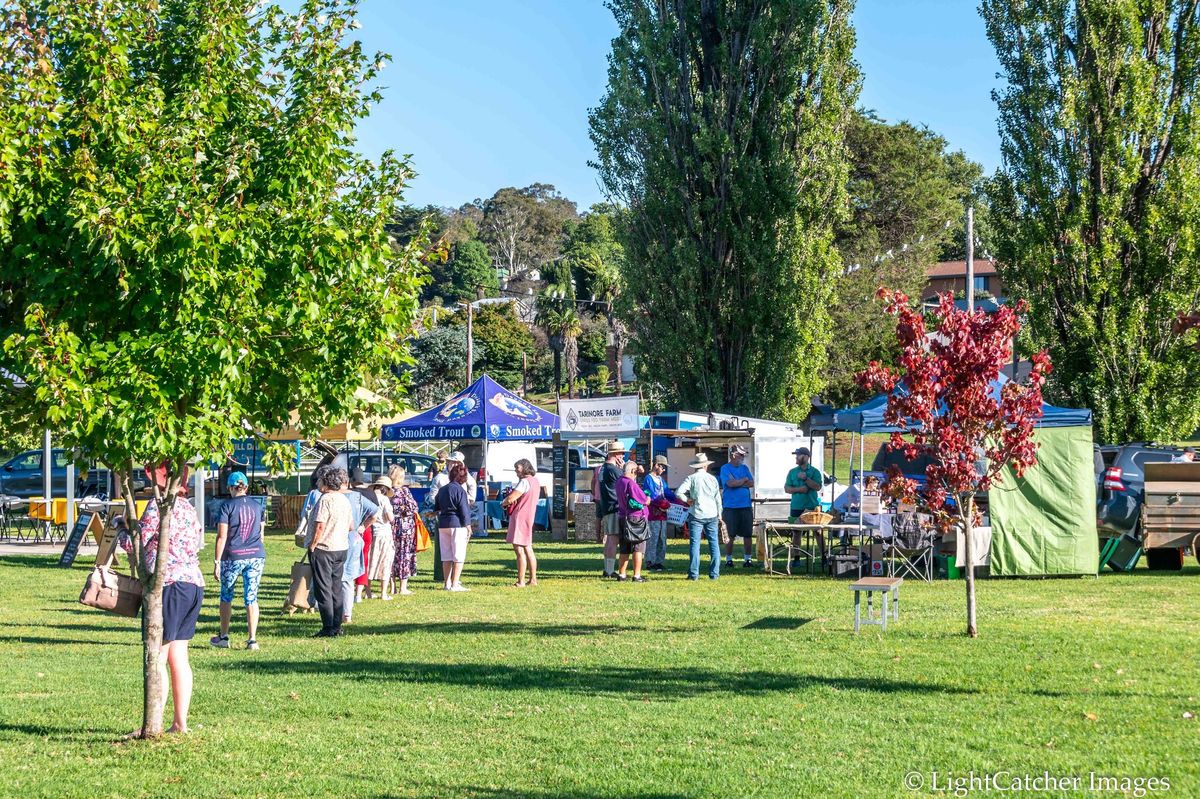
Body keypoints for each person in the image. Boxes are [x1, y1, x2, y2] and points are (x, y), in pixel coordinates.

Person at [118, 462, 204, 733]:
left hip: (168, 583)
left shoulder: (158, 508)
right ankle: (180, 722)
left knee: (159, 653)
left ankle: (152, 724)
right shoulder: (190, 509)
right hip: (193, 583)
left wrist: (121, 528)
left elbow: (136, 543)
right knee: (179, 654)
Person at [210, 472, 265, 651]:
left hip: (233, 555)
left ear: (230, 488)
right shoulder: (258, 506)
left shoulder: (227, 506)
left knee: (226, 596)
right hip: (256, 554)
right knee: (251, 597)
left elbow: (221, 536)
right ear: (246, 487)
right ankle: (252, 640)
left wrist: (217, 562)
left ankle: (224, 636)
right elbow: (261, 533)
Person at [306, 466, 353, 638]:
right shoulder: (344, 499)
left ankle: (328, 627)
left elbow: (320, 525)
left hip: (324, 548)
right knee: (336, 587)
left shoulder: (325, 499)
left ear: (326, 482)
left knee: (323, 589)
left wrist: (312, 544)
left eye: (319, 480)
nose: (317, 483)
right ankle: (336, 625)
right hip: (341, 547)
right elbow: (351, 526)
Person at [676, 452, 723, 580]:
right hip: (712, 513)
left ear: (695, 466)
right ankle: (714, 574)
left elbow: (679, 492)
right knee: (714, 543)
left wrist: (687, 500)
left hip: (696, 513)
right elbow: (717, 498)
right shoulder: (713, 479)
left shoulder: (691, 478)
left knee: (695, 544)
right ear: (705, 466)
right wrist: (720, 514)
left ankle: (694, 574)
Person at [339, 471, 378, 624]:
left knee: (335, 575)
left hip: (339, 538)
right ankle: (349, 610)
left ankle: (330, 608)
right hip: (357, 537)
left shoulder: (340, 496)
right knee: (351, 574)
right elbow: (375, 512)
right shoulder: (363, 495)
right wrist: (363, 526)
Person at [784, 447, 825, 570]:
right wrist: (799, 490)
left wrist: (806, 479)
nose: (796, 458)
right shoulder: (792, 472)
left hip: (811, 506)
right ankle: (796, 558)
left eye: (798, 455)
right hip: (796, 506)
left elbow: (817, 487)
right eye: (796, 455)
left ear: (806, 457)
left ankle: (824, 557)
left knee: (818, 532)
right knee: (796, 532)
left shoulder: (815, 472)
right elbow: (787, 488)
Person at [501, 458, 540, 587]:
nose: (516, 471)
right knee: (528, 547)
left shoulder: (524, 482)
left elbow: (512, 498)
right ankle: (533, 579)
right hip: (530, 515)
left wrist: (504, 503)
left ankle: (521, 581)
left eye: (517, 468)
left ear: (524, 468)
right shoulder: (535, 481)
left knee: (518, 549)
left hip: (520, 517)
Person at [436, 461, 473, 591]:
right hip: (457, 523)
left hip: (443, 523)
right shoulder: (460, 491)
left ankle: (447, 583)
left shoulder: (442, 490)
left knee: (446, 555)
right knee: (458, 555)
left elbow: (437, 507)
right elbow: (464, 509)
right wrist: (468, 525)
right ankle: (455, 583)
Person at [720, 444, 755, 567]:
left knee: (747, 534)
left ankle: (748, 559)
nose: (743, 457)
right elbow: (730, 484)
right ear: (734, 455)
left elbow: (751, 483)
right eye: (741, 455)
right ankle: (728, 559)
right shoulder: (725, 468)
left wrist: (738, 482)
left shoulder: (745, 468)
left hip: (745, 506)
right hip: (730, 507)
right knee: (730, 535)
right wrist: (743, 480)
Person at [615, 459, 651, 582]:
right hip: (635, 518)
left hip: (622, 516)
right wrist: (648, 498)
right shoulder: (631, 483)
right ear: (631, 471)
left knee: (624, 547)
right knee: (638, 547)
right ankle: (636, 575)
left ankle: (622, 574)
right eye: (635, 472)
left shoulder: (619, 481)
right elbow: (644, 500)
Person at [643, 455, 678, 571]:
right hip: (653, 514)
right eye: (662, 467)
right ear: (656, 465)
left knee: (662, 539)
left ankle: (659, 561)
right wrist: (662, 503)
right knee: (653, 538)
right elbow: (651, 495)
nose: (664, 470)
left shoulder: (661, 480)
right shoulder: (648, 479)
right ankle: (650, 561)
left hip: (663, 514)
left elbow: (667, 492)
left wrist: (678, 499)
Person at [595, 440, 625, 578]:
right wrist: (624, 469)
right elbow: (626, 482)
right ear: (616, 454)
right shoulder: (614, 470)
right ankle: (610, 570)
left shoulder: (602, 469)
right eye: (621, 454)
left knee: (609, 540)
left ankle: (607, 568)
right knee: (613, 539)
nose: (623, 456)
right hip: (614, 507)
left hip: (605, 506)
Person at [389, 465, 420, 596]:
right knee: (404, 555)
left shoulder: (386, 491)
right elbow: (413, 507)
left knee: (391, 556)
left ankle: (392, 587)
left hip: (390, 526)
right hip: (404, 527)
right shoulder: (404, 491)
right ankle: (403, 587)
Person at [364, 475, 396, 600]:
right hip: (384, 534)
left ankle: (368, 592)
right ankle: (383, 593)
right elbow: (390, 518)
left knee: (370, 562)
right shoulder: (384, 500)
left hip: (371, 532)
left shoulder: (368, 497)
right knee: (385, 562)